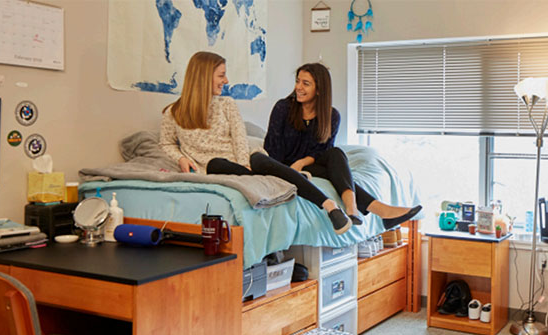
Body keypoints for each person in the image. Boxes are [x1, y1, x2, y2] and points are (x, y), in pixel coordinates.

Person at [160, 51, 353, 234]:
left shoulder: (227, 104)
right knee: (217, 163)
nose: (226, 81)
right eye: (221, 76)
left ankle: (329, 206)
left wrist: (244, 161)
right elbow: (167, 143)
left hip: (244, 160)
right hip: (212, 164)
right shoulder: (173, 113)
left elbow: (239, 139)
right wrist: (180, 159)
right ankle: (287, 179)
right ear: (203, 77)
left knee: (262, 160)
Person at [263, 62, 422, 230]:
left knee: (336, 154)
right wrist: (288, 169)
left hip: (307, 165)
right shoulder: (283, 108)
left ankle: (352, 208)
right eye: (298, 81)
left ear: (319, 89)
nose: (298, 87)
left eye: (305, 83)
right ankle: (379, 211)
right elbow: (272, 148)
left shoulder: (331, 116)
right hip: (282, 166)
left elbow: (323, 150)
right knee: (333, 173)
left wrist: (301, 163)